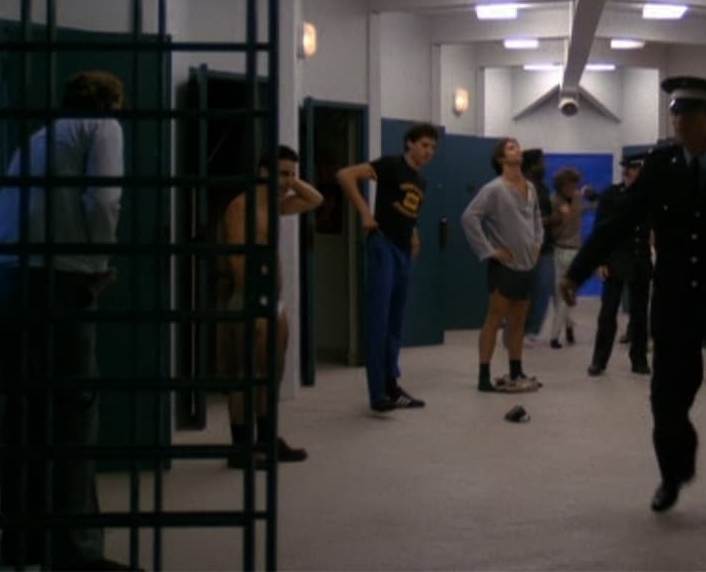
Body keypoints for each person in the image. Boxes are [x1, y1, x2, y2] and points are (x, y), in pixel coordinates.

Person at [560, 76, 706, 534]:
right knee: (667, 401)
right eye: (675, 112)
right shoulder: (661, 166)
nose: (678, 121)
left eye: (689, 113)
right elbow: (620, 222)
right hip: (676, 300)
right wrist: (578, 271)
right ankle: (673, 473)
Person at [0, 70, 133, 570]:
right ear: (113, 103)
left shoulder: (37, 139)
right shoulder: (102, 128)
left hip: (2, 279)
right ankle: (75, 550)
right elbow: (104, 199)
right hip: (58, 280)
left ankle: (22, 542)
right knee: (71, 415)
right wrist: (98, 263)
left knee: (23, 416)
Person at [216, 145, 323, 469]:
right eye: (282, 173)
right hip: (248, 298)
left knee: (271, 372)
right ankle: (241, 446)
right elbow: (237, 257)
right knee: (244, 373)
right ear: (263, 173)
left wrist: (291, 179)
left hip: (272, 299)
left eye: (291, 174)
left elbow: (315, 199)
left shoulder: (275, 205)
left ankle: (266, 438)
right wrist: (254, 302)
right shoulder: (242, 206)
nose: (288, 181)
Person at [337, 122, 439, 412]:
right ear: (410, 143)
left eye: (432, 147)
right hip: (383, 244)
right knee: (379, 319)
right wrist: (365, 212)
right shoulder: (391, 165)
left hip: (404, 249)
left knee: (396, 320)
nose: (428, 151)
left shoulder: (421, 181)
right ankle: (377, 392)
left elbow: (408, 211)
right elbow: (345, 175)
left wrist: (414, 235)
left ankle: (392, 384)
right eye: (424, 145)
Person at [461, 137, 544, 392]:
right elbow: (469, 217)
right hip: (504, 267)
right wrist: (488, 251)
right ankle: (483, 375)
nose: (517, 150)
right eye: (510, 147)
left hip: (527, 264)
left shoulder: (530, 187)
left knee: (518, 321)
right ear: (500, 158)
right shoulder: (494, 189)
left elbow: (536, 220)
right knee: (495, 319)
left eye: (517, 146)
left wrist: (537, 243)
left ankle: (516, 370)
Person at [587, 152, 651, 377]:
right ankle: (599, 360)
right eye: (633, 168)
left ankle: (639, 360)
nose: (636, 173)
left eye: (640, 169)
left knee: (640, 314)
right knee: (608, 312)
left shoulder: (649, 196)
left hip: (640, 259)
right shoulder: (611, 195)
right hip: (615, 259)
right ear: (627, 171)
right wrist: (601, 260)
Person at [521, 148, 557, 346]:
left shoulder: (542, 186)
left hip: (545, 246)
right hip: (527, 247)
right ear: (533, 165)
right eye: (542, 162)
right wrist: (552, 219)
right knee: (525, 291)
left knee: (542, 288)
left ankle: (531, 330)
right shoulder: (523, 186)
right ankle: (520, 330)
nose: (545, 166)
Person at [549, 166, 584, 348]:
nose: (572, 188)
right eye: (568, 185)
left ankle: (557, 335)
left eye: (574, 185)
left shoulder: (577, 197)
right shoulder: (554, 200)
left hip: (575, 250)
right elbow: (551, 226)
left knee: (567, 294)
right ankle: (566, 329)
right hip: (559, 249)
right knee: (560, 295)